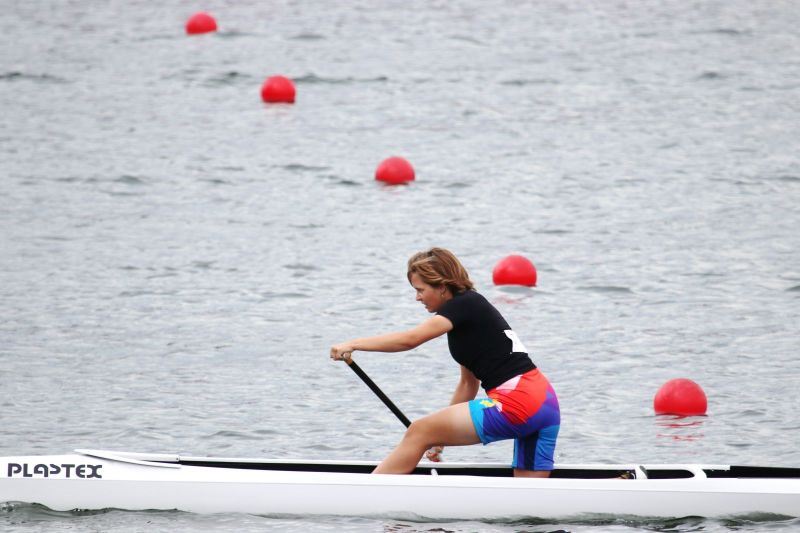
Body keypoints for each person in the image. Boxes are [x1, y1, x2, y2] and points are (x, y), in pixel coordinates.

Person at [330, 247, 560, 477]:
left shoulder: (464, 304)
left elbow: (410, 340)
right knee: (528, 493)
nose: (417, 297)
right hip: (545, 403)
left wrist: (353, 344)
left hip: (517, 402)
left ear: (441, 286)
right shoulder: (468, 316)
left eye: (420, 290)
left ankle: (368, 491)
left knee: (419, 431)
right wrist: (439, 439)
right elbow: (467, 385)